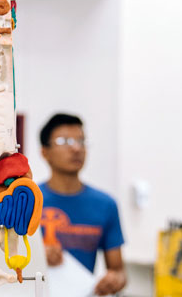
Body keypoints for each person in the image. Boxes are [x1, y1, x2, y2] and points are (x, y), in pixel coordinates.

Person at [38, 113, 126, 295]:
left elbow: (118, 270)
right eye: (65, 141)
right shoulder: (26, 201)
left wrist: (115, 279)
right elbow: (3, 261)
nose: (76, 148)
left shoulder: (105, 204)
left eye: (81, 141)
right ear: (45, 152)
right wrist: (36, 258)